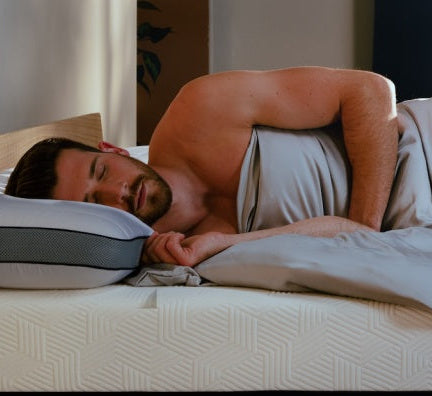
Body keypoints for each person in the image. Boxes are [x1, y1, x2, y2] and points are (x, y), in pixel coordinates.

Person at [4, 66, 398, 267]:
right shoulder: (170, 256)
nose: (118, 193)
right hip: (412, 226)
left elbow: (370, 91)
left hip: (431, 149)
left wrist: (367, 230)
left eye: (103, 172)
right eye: (94, 204)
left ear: (114, 150)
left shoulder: (200, 109)